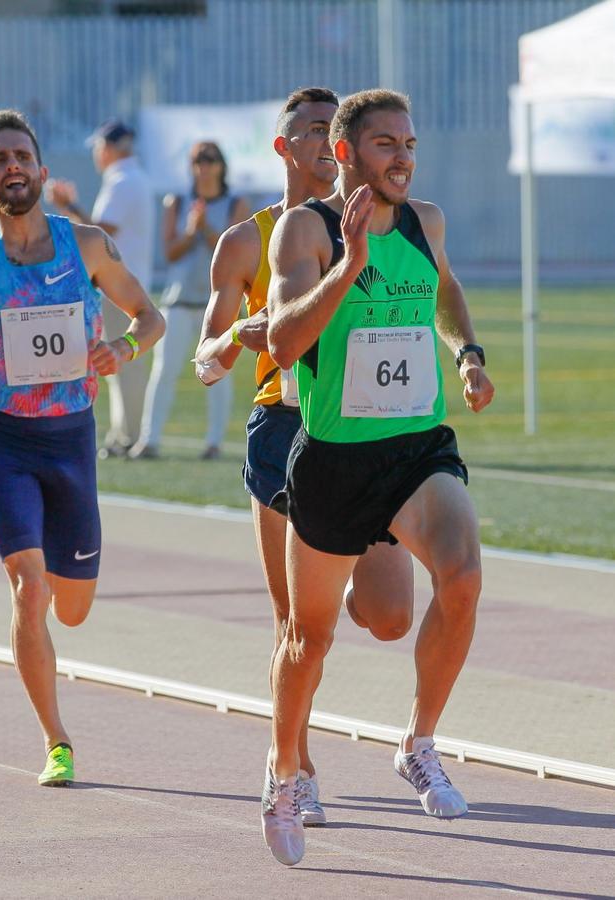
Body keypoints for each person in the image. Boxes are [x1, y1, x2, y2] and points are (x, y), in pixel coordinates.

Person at [263, 89, 495, 866]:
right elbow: (288, 341)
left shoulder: (425, 221)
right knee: (310, 638)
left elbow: (445, 289)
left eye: (409, 142)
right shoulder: (306, 229)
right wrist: (351, 265)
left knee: (462, 577)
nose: (402, 155)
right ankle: (285, 769)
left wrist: (467, 354)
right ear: (346, 152)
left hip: (416, 448)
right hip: (333, 459)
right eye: (385, 143)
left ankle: (419, 742)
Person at [0, 109, 165, 787]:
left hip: (71, 439)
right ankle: (56, 740)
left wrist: (124, 347)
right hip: (5, 438)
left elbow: (150, 314)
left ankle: (57, 629)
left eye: (21, 155)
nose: (11, 167)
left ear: (43, 170)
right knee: (29, 587)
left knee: (72, 607)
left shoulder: (87, 244)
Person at [194, 87, 415, 839]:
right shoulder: (248, 241)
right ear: (284, 146)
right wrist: (235, 341)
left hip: (360, 428)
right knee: (295, 623)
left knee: (387, 615)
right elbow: (204, 358)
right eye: (311, 130)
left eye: (334, 129)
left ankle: (341, 584)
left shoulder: (380, 226)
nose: (326, 140)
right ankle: (295, 766)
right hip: (282, 427)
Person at [129, 141, 250, 460]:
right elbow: (169, 253)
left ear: (221, 165)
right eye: (198, 160)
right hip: (179, 301)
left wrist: (205, 229)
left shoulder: (236, 203)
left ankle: (214, 443)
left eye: (210, 160)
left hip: (219, 304)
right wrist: (190, 231)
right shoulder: (177, 202)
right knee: (164, 371)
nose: (204, 167)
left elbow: (232, 254)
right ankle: (149, 439)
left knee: (218, 374)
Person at [46, 118, 154, 458]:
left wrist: (68, 207)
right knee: (122, 363)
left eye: (98, 146)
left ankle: (126, 436)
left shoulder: (123, 181)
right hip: (123, 284)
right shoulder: (130, 178)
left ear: (109, 148)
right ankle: (124, 434)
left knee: (122, 363)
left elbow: (99, 233)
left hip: (117, 287)